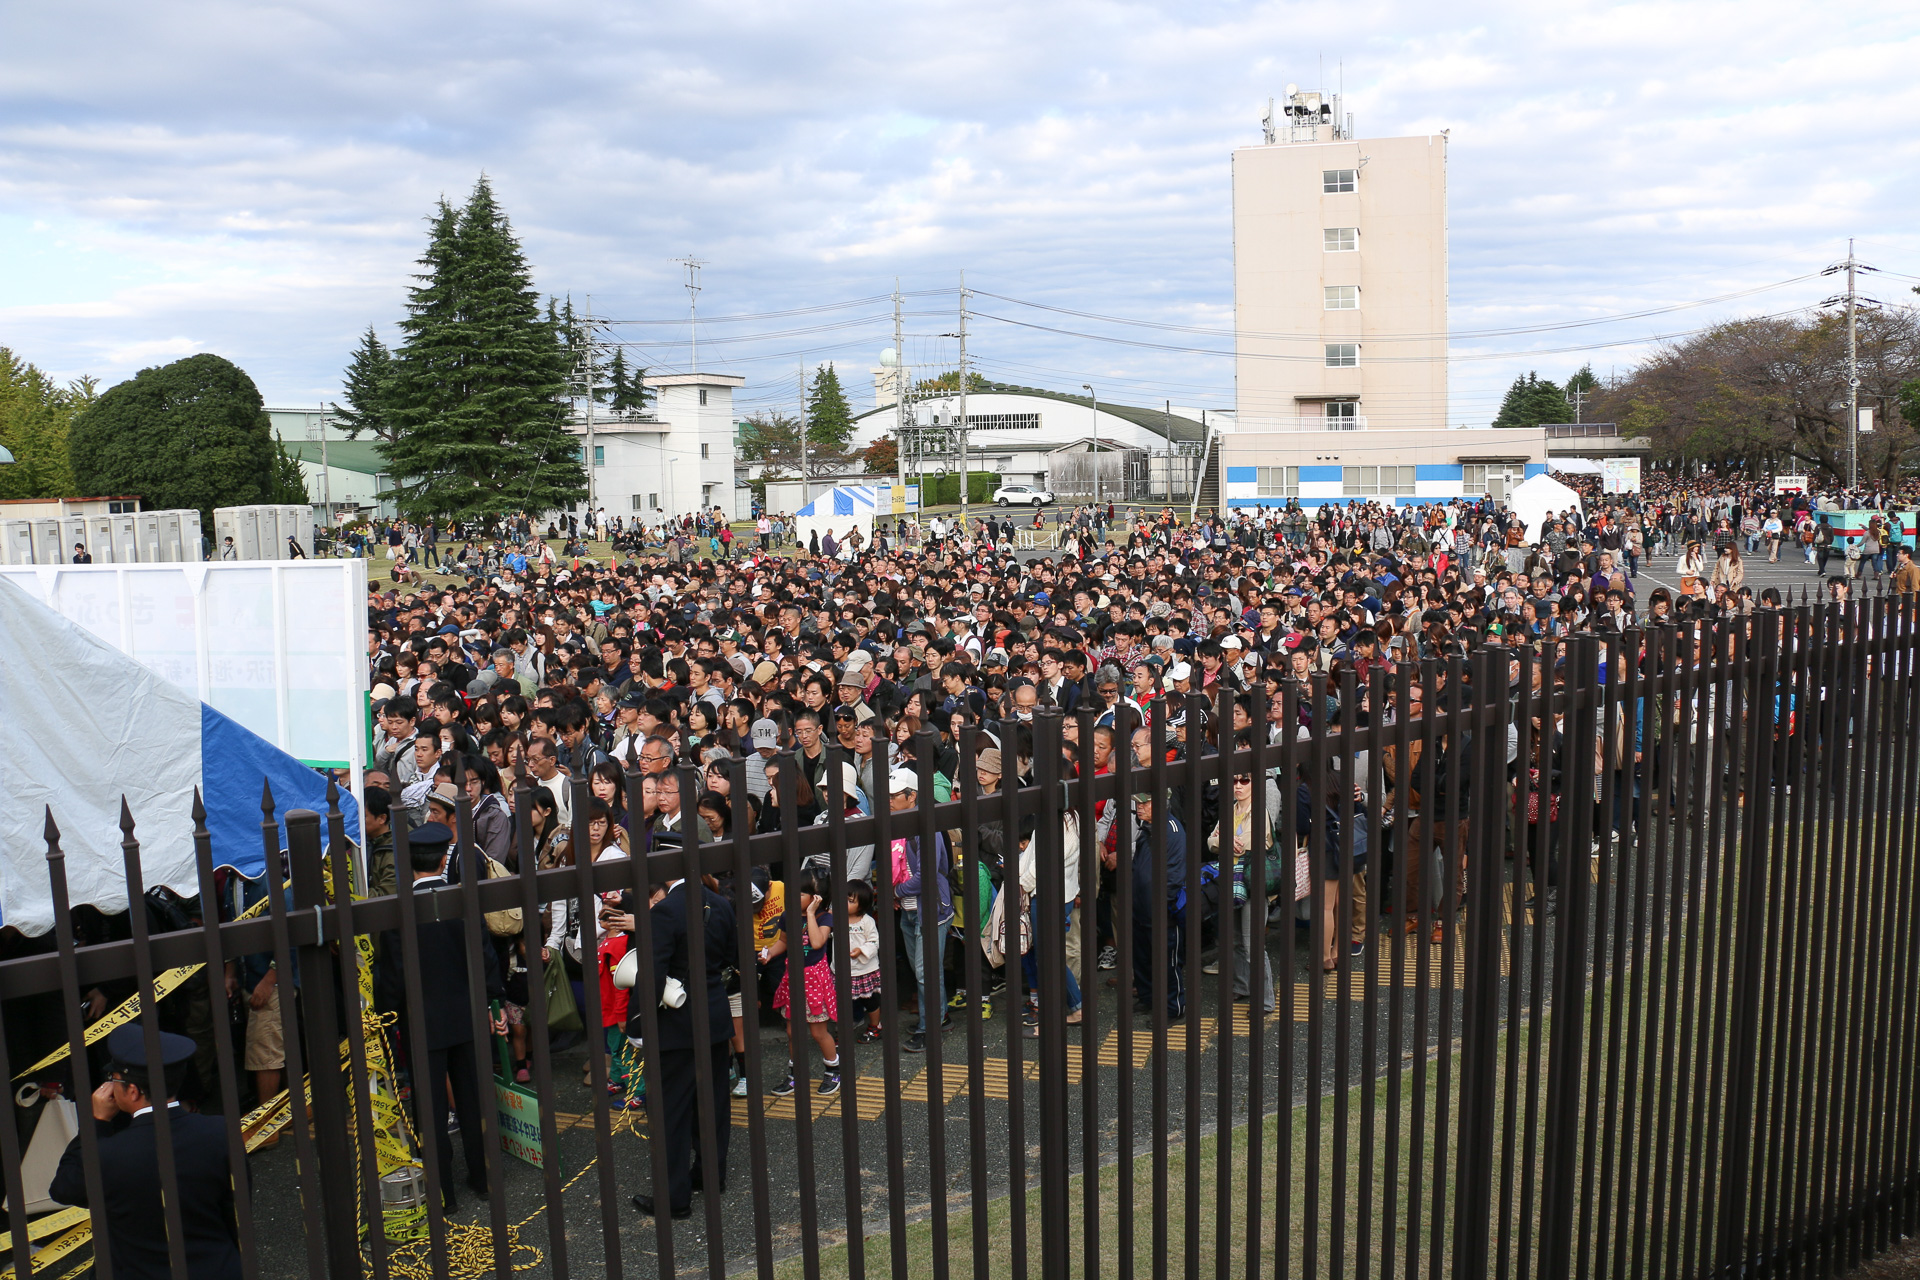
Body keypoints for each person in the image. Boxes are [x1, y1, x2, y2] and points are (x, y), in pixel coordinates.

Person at [378, 822, 505, 1214]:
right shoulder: (460, 900)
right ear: (442, 857)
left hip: (423, 1020)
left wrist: (389, 1017)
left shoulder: (399, 910)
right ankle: (484, 1178)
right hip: (466, 1013)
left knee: (430, 1110)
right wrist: (491, 1004)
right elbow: (484, 957)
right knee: (473, 1098)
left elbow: (393, 974)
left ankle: (442, 1191)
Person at [50, 1025, 243, 1280]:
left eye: (114, 1080)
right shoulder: (221, 1131)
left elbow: (64, 1187)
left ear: (133, 1091)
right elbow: (236, 1211)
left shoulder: (109, 1153)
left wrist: (95, 1122)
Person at [625, 859, 737, 1220]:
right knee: (713, 1102)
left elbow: (651, 976)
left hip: (675, 1023)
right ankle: (710, 1175)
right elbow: (733, 959)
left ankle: (674, 1198)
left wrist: (638, 1028)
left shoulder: (664, 912)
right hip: (715, 1015)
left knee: (671, 1112)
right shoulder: (720, 904)